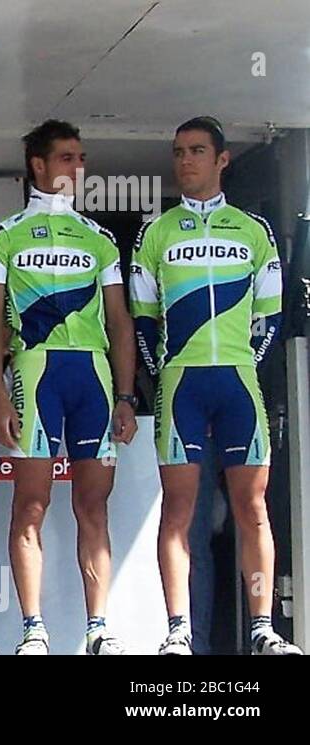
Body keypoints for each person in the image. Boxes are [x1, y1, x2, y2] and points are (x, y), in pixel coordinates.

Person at [129, 116, 301, 655]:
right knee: (178, 512)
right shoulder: (155, 233)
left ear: (222, 159)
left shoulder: (253, 231)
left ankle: (262, 629)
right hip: (181, 385)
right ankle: (179, 631)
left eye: (197, 151)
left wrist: (243, 364)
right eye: (178, 151)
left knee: (253, 509)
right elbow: (142, 323)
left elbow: (271, 315)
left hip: (238, 383)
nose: (185, 161)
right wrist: (163, 376)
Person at [0, 120, 138, 655]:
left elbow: (119, 322)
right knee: (31, 505)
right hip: (35, 374)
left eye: (81, 157)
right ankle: (34, 630)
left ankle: (98, 630)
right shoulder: (5, 234)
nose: (77, 167)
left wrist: (125, 395)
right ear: (38, 166)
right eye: (66, 158)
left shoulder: (99, 237)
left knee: (95, 507)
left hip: (92, 377)